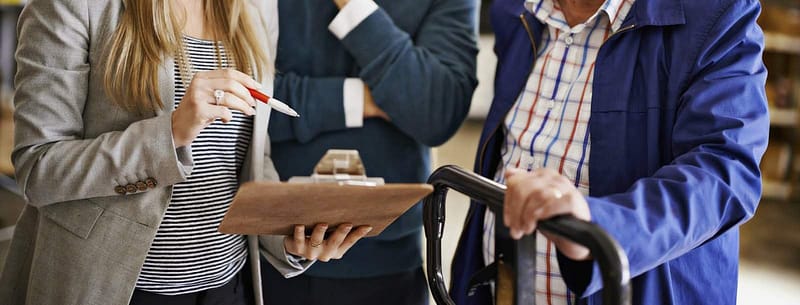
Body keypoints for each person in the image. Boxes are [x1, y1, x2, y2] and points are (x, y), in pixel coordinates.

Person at [0, 1, 371, 304]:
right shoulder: (73, 5)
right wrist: (172, 132)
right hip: (117, 288)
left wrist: (287, 237)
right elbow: (39, 170)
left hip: (230, 284)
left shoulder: (257, 7)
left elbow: (249, 159)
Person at [451, 0, 769, 304]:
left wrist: (597, 225)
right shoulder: (517, 8)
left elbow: (726, 170)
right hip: (502, 288)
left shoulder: (717, 12)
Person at [259, 0, 479, 304]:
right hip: (270, 245)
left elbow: (436, 111)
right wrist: (364, 98)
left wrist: (353, 6)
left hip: (389, 259)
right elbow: (247, 105)